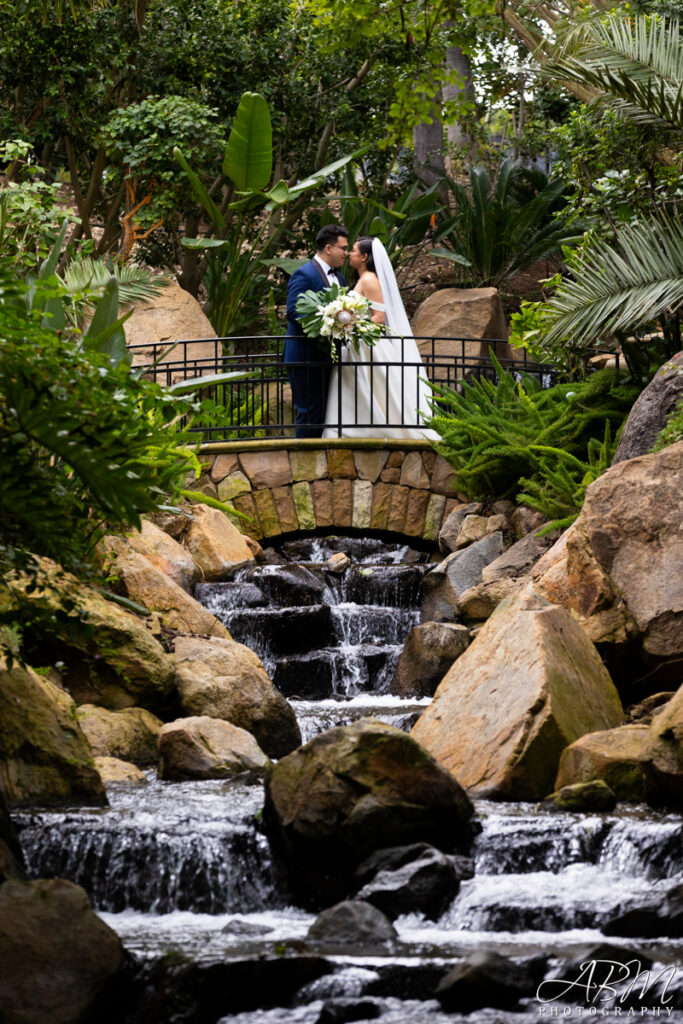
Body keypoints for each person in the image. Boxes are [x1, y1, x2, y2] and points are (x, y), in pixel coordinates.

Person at [323, 236, 439, 440]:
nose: (350, 253)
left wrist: (350, 327)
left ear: (364, 256)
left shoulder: (368, 279)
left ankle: (366, 429)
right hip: (358, 342)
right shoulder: (363, 279)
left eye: (354, 250)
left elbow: (379, 317)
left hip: (368, 344)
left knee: (374, 388)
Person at [284, 225, 349, 438]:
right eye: (343, 248)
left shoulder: (340, 279)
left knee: (322, 414)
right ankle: (304, 469)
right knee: (308, 414)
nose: (346, 254)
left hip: (326, 357)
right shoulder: (303, 274)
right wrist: (327, 324)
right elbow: (293, 311)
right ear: (329, 248)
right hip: (304, 356)